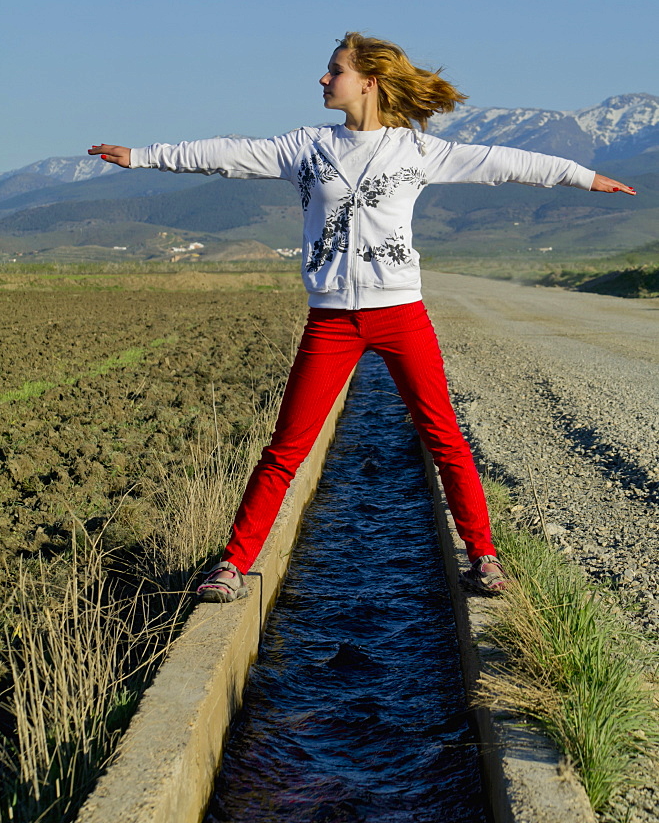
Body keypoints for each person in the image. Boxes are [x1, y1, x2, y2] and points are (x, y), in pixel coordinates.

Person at [89, 32, 635, 599]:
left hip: (400, 313)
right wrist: (142, 156)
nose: (323, 80)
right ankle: (232, 565)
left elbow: (506, 163)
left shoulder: (417, 151)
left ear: (368, 81)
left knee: (444, 436)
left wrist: (583, 176)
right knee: (287, 448)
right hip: (331, 320)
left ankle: (484, 556)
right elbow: (226, 155)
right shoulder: (306, 146)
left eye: (334, 71)